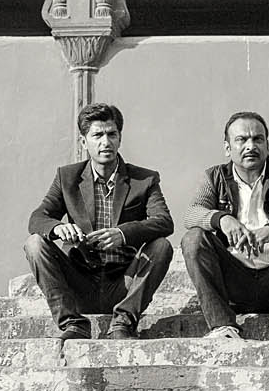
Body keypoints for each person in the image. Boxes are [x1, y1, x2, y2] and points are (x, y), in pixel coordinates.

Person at [24, 102, 174, 341]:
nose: (106, 142)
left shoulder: (144, 179)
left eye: (112, 134)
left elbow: (164, 222)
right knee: (34, 244)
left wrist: (122, 233)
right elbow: (37, 218)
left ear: (120, 139)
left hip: (124, 284)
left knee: (162, 246)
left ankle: (123, 323)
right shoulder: (67, 177)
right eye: (97, 135)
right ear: (84, 142)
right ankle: (73, 323)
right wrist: (58, 228)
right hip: (80, 281)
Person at [181, 111, 269, 341]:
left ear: (267, 144)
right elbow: (191, 215)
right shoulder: (214, 177)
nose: (251, 146)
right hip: (233, 282)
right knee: (193, 239)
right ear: (228, 148)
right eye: (242, 140)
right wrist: (223, 219)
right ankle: (222, 327)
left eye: (258, 139)